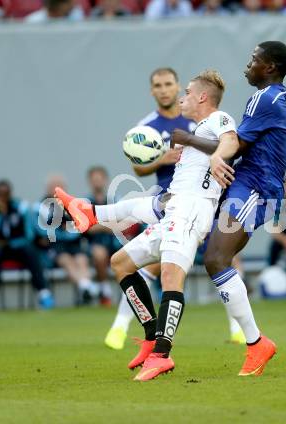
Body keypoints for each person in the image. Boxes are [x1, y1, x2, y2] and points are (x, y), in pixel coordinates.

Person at [56, 70, 241, 381]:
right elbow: (147, 171)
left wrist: (212, 156)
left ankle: (162, 355)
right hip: (175, 204)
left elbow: (232, 142)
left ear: (201, 98)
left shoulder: (218, 119)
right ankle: (151, 335)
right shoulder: (189, 129)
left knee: (171, 275)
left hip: (192, 211)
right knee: (121, 263)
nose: (180, 95)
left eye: (186, 91)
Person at [171, 41, 286, 377]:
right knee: (213, 255)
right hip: (247, 183)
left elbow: (235, 145)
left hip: (256, 185)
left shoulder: (264, 97)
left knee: (215, 258)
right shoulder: (274, 98)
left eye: (255, 59)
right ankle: (253, 342)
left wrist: (189, 140)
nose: (248, 64)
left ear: (269, 67)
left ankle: (256, 344)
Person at [104, 68, 196, 350]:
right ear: (152, 91)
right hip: (166, 202)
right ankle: (125, 328)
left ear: (178, 87)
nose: (164, 89)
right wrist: (162, 159)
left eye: (169, 84)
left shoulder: (194, 118)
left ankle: (243, 332)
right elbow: (138, 167)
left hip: (199, 200)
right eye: (158, 85)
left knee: (223, 260)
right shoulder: (147, 127)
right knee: (148, 266)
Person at [0, 180, 54, 311]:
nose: (3, 198)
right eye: (0, 194)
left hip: (18, 247)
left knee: (30, 250)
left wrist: (11, 242)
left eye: (6, 194)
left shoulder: (20, 207)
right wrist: (1, 215)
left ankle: (43, 292)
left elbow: (29, 235)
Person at [35, 176, 98, 304]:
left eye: (60, 186)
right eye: (54, 186)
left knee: (82, 259)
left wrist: (67, 226)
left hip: (73, 243)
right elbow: (44, 230)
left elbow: (79, 226)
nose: (57, 189)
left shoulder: (72, 204)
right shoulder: (41, 206)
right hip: (55, 246)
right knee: (66, 261)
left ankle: (85, 287)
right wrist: (63, 226)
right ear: (48, 188)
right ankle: (87, 286)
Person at [85, 166, 118, 306]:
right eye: (94, 179)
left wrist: (98, 225)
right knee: (99, 254)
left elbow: (119, 225)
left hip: (115, 243)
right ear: (90, 182)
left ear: (105, 180)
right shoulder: (85, 203)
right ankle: (105, 291)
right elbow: (86, 228)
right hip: (92, 246)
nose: (97, 182)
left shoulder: (114, 200)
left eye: (100, 179)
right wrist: (107, 225)